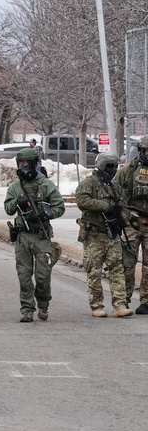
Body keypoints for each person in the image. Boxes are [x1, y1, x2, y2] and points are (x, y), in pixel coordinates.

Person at [3, 148, 66, 322]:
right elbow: (8, 209)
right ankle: (27, 309)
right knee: (24, 275)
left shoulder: (46, 185)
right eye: (20, 163)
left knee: (43, 275)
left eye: (26, 163)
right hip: (23, 236)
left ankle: (43, 305)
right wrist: (18, 202)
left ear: (34, 164)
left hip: (41, 235)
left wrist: (48, 213)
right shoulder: (15, 187)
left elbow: (59, 207)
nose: (23, 166)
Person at [75, 153, 133, 318]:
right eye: (109, 166)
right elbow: (82, 201)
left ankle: (120, 305)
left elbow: (124, 205)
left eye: (114, 167)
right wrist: (104, 206)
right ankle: (97, 306)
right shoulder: (89, 183)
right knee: (94, 271)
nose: (112, 170)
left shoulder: (114, 187)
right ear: (101, 166)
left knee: (117, 269)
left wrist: (122, 216)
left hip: (112, 235)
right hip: (94, 235)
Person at [114, 135, 148, 313]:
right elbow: (115, 191)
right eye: (147, 152)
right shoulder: (129, 170)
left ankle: (146, 301)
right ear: (141, 151)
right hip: (132, 223)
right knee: (127, 263)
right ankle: (123, 300)